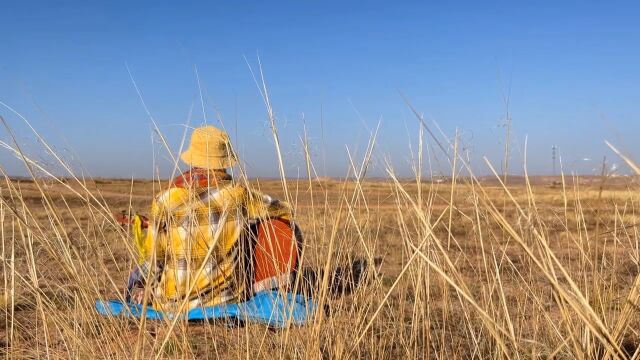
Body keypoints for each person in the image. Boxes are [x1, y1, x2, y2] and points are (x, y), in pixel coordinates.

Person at [126, 125, 300, 312]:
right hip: (227, 300)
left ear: (193, 159)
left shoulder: (165, 199)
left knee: (139, 274)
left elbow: (155, 260)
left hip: (173, 304)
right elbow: (285, 210)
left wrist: (142, 284)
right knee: (282, 227)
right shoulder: (239, 194)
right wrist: (248, 225)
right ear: (224, 161)